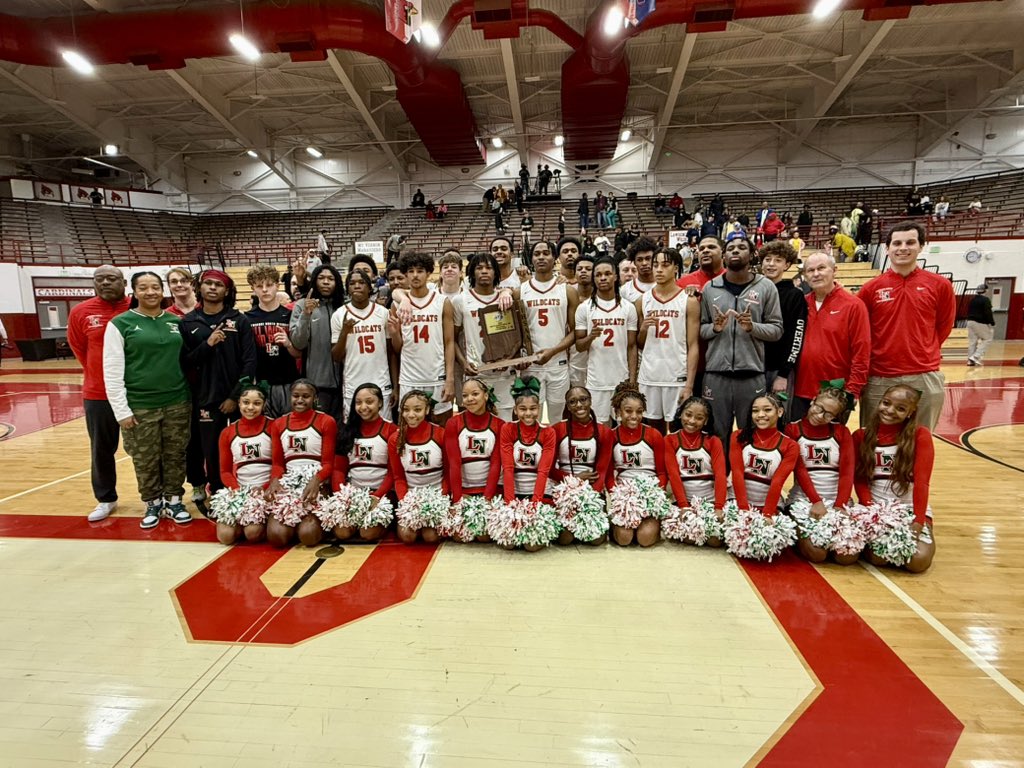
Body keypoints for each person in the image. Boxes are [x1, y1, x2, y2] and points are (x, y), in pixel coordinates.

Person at [103, 271, 192, 529]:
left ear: (162, 291)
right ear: (134, 292)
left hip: (177, 401)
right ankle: (152, 502)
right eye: (143, 287)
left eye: (155, 287)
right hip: (140, 404)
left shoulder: (175, 321)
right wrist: (121, 410)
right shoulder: (121, 324)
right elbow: (112, 370)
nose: (150, 292)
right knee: (145, 458)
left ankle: (174, 500)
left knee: (175, 454)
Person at [858, 222, 955, 430]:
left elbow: (944, 326)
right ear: (887, 248)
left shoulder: (940, 285)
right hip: (879, 376)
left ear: (921, 246)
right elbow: (861, 332)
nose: (903, 248)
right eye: (897, 243)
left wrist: (923, 350)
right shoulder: (870, 289)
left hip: (923, 374)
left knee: (919, 440)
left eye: (910, 242)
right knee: (873, 440)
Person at [699, 234, 783, 458]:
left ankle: (746, 477)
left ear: (752, 254)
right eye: (731, 248)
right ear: (724, 256)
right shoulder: (710, 288)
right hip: (716, 374)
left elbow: (776, 330)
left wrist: (752, 327)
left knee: (751, 433)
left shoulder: (765, 287)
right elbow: (701, 330)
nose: (735, 251)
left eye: (742, 247)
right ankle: (721, 477)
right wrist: (715, 328)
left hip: (751, 374)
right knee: (717, 433)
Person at [180, 269, 258, 496]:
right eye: (209, 283)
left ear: (227, 291)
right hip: (205, 398)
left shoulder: (239, 320)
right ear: (200, 288)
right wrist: (208, 344)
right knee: (211, 450)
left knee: (243, 446)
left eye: (219, 284)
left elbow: (250, 362)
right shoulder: (188, 322)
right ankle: (217, 492)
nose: (213, 288)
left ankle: (245, 490)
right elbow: (186, 362)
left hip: (238, 399)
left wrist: (235, 396)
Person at [68, 265, 131, 522]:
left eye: (111, 278)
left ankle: (155, 496)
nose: (105, 283)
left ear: (123, 282)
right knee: (102, 449)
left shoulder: (137, 307)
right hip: (98, 393)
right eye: (99, 279)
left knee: (146, 449)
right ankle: (106, 498)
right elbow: (79, 349)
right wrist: (99, 374)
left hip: (137, 392)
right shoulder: (81, 312)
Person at [853, 385, 935, 573]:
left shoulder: (920, 435)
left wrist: (918, 521)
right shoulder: (861, 435)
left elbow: (922, 483)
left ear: (910, 412)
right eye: (886, 403)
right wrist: (872, 512)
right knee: (879, 557)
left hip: (909, 509)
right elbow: (859, 480)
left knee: (918, 562)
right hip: (876, 508)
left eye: (900, 408)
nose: (890, 411)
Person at [793, 251, 871, 423]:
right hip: (800, 389)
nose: (816, 274)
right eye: (810, 270)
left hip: (836, 393)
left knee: (832, 439)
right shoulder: (801, 303)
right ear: (805, 275)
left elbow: (861, 351)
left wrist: (853, 390)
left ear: (834, 270)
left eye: (821, 268)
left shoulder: (854, 305)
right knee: (798, 438)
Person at [785, 385, 856, 564]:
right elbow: (799, 469)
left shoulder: (841, 432)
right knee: (817, 554)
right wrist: (816, 501)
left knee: (847, 556)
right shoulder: (792, 430)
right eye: (819, 408)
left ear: (836, 417)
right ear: (813, 401)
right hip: (804, 500)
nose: (820, 416)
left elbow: (847, 472)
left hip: (837, 501)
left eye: (829, 415)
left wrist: (840, 505)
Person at [265, 380, 337, 547]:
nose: (300, 400)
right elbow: (278, 464)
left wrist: (316, 480)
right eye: (296, 396)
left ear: (315, 398)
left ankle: (316, 523)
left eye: (306, 396)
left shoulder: (326, 421)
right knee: (276, 537)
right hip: (290, 484)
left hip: (316, 483)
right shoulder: (278, 424)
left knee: (308, 535)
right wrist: (275, 480)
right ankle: (294, 521)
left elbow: (328, 463)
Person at [636, 247, 699, 431]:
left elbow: (693, 346)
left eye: (665, 265)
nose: (659, 269)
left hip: (676, 376)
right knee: (653, 431)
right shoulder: (642, 301)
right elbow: (639, 344)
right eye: (655, 265)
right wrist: (643, 329)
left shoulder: (688, 301)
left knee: (678, 430)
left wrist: (689, 385)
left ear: (676, 268)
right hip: (649, 376)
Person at [390, 252, 456, 424]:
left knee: (441, 427)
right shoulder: (397, 304)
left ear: (428, 273)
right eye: (410, 271)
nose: (415, 275)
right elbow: (397, 349)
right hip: (409, 377)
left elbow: (449, 342)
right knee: (408, 429)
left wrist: (450, 378)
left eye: (420, 271)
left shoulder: (442, 302)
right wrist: (395, 333)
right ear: (405, 274)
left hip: (436, 376)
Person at [519, 239, 580, 423]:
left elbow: (575, 331)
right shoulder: (520, 291)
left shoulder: (567, 290)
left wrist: (553, 351)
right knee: (530, 419)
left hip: (558, 364)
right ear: (531, 259)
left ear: (555, 258)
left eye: (546, 253)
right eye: (537, 254)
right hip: (531, 365)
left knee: (557, 419)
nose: (541, 257)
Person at [575, 256, 639, 425]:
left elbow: (632, 346)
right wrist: (591, 336)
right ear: (594, 278)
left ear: (615, 276)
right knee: (600, 428)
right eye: (598, 275)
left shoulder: (628, 307)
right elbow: (579, 346)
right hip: (596, 381)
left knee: (625, 426)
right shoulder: (584, 308)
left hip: (622, 380)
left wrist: (632, 380)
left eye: (607, 274)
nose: (603, 278)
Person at [453, 252, 516, 421]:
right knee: (477, 424)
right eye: (479, 268)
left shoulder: (506, 298)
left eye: (489, 268)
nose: (484, 271)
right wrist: (464, 363)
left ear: (496, 272)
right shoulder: (460, 300)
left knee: (504, 423)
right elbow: (452, 339)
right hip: (476, 373)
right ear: (472, 273)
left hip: (504, 373)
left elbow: (517, 336)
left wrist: (507, 291)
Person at [606, 383, 666, 548]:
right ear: (618, 412)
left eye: (639, 411)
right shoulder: (611, 436)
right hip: (624, 496)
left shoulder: (654, 435)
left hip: (649, 495)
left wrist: (653, 496)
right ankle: (615, 525)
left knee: (644, 539)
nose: (634, 416)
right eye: (628, 411)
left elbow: (662, 473)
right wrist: (619, 497)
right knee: (624, 539)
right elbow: (608, 475)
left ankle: (653, 524)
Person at [331, 269, 397, 418]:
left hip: (381, 382)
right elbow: (336, 357)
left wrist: (395, 386)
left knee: (383, 428)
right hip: (353, 383)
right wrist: (344, 332)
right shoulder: (339, 315)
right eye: (352, 283)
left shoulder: (383, 313)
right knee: (354, 428)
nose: (357, 286)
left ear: (369, 287)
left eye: (361, 282)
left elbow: (391, 353)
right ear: (347, 288)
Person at [389, 390, 446, 543]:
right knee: (408, 536)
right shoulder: (395, 439)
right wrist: (407, 503)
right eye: (406, 410)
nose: (411, 415)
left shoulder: (440, 434)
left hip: (436, 496)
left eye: (417, 409)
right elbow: (398, 477)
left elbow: (449, 473)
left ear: (427, 410)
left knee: (430, 536)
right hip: (411, 497)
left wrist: (440, 500)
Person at [729, 393, 799, 517]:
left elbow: (778, 481)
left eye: (767, 410)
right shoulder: (739, 436)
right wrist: (743, 509)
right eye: (755, 411)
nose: (760, 415)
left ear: (780, 412)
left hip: (769, 504)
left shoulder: (790, 445)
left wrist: (767, 513)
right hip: (737, 501)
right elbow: (737, 473)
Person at [289, 265, 344, 417]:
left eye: (331, 278)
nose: (326, 282)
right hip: (316, 383)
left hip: (346, 382)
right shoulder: (302, 305)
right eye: (321, 278)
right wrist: (306, 315)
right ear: (314, 281)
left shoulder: (343, 306)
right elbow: (298, 343)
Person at [246, 265, 301, 417]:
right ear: (253, 288)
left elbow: (299, 354)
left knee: (289, 426)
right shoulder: (247, 318)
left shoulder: (289, 315)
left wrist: (288, 344)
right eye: (259, 286)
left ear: (277, 285)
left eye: (269, 285)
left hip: (289, 382)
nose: (265, 290)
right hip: (261, 384)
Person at [333, 383, 396, 513]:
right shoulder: (347, 431)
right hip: (352, 495)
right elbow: (338, 469)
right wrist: (342, 496)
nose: (363, 407)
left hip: (382, 496)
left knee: (371, 527)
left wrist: (377, 496)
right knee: (342, 526)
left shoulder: (392, 430)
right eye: (358, 402)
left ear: (380, 403)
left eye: (369, 402)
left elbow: (393, 472)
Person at [758, 241, 806, 409]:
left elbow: (797, 336)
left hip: (778, 370)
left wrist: (784, 374)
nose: (771, 264)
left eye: (778, 260)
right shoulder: (752, 291)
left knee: (778, 415)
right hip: (753, 369)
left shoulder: (794, 295)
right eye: (768, 259)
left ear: (787, 265)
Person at [665, 396, 727, 512]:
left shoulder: (713, 441)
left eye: (699, 418)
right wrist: (683, 505)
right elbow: (673, 475)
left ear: (706, 420)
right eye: (688, 415)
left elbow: (720, 475)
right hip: (681, 503)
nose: (692, 421)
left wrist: (718, 506)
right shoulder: (670, 440)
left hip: (709, 502)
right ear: (680, 414)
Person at [445, 378, 503, 502]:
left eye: (475, 394)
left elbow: (496, 464)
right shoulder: (453, 423)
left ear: (486, 395)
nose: (470, 399)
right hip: (463, 491)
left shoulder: (499, 425)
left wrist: (487, 498)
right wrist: (458, 498)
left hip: (492, 492)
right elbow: (454, 464)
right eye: (465, 395)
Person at [500, 377, 556, 502]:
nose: (528, 413)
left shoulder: (548, 432)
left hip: (542, 494)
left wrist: (535, 503)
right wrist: (510, 503)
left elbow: (543, 470)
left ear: (539, 408)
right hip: (514, 492)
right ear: (515, 410)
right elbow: (508, 468)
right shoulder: (508, 429)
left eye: (533, 408)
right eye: (523, 409)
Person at [551, 386, 613, 491]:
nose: (579, 405)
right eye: (572, 402)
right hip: (563, 489)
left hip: (592, 491)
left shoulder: (604, 431)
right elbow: (549, 469)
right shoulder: (557, 429)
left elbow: (602, 471)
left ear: (590, 401)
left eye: (583, 399)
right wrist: (574, 479)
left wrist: (591, 496)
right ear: (568, 406)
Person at [218, 382, 273, 496]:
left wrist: (265, 488)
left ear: (264, 404)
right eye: (246, 402)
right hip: (242, 492)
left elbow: (280, 465)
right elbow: (225, 471)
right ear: (239, 403)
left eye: (257, 403)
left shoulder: (274, 426)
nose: (250, 407)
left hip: (270, 490)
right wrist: (238, 491)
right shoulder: (227, 433)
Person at [569, 251, 594, 388]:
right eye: (580, 269)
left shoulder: (604, 297)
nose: (583, 271)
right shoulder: (566, 295)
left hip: (598, 356)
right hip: (575, 357)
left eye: (588, 269)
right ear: (574, 274)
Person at [620, 236, 657, 303]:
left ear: (655, 259)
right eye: (639, 260)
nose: (644, 263)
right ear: (634, 262)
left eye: (648, 258)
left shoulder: (665, 286)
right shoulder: (625, 290)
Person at [966, 283, 996, 366]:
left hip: (970, 322)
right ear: (986, 290)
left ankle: (970, 361)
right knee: (988, 338)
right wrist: (992, 322)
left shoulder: (972, 299)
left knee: (972, 341)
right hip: (979, 322)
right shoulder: (986, 300)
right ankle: (976, 356)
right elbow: (988, 312)